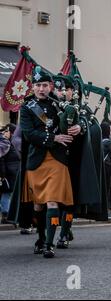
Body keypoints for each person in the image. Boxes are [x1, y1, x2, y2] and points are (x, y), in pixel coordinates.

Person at [11, 66, 81, 258]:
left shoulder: (59, 105)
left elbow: (78, 117)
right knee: (38, 205)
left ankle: (49, 244)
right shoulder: (26, 108)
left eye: (44, 85)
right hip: (36, 161)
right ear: (32, 87)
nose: (41, 89)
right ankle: (41, 238)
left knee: (52, 202)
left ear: (50, 86)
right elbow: (29, 134)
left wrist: (77, 126)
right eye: (37, 85)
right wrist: (54, 139)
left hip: (57, 160)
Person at [0, 125, 20, 225]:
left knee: (7, 193)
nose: (4, 133)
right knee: (7, 193)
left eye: (6, 131)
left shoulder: (10, 143)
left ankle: (6, 214)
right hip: (10, 173)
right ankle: (6, 214)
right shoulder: (9, 143)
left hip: (10, 173)